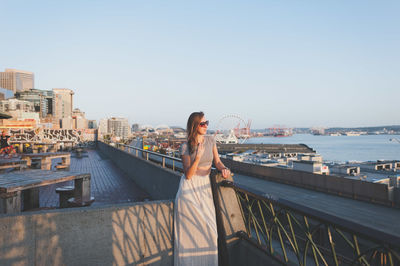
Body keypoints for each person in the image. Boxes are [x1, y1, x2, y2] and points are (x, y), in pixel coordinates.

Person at [174, 111, 231, 266]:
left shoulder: (211, 140)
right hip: (189, 189)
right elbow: (188, 175)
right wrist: (197, 157)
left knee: (211, 232)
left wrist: (223, 169)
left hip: (205, 187)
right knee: (190, 233)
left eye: (207, 123)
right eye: (202, 124)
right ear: (194, 126)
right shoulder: (185, 146)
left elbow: (217, 162)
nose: (206, 126)